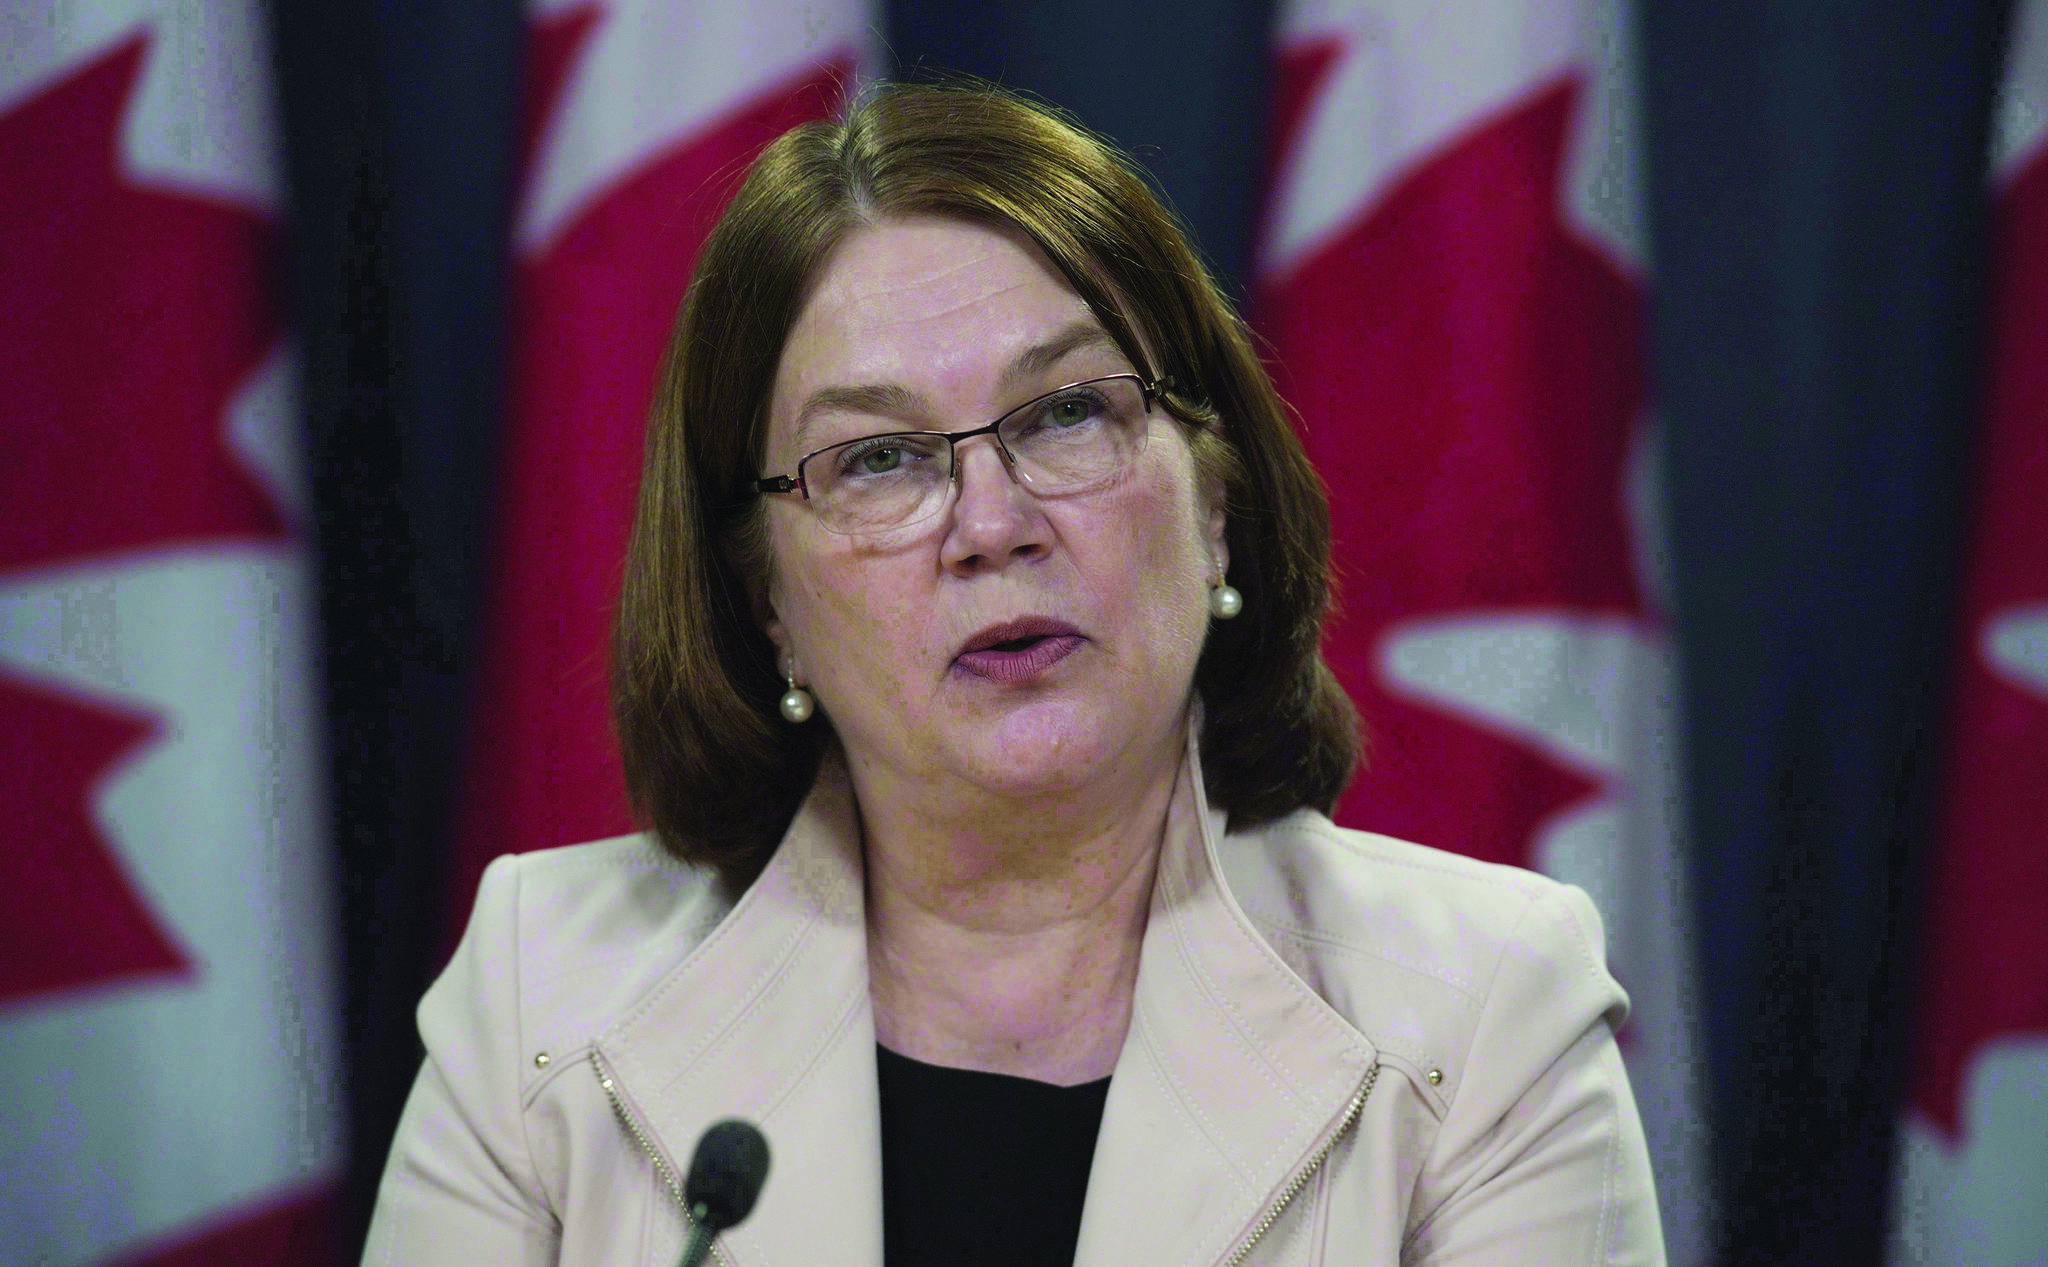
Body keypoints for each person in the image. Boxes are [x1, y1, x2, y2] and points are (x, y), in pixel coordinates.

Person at [363, 82, 1665, 1266]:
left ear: (1215, 505)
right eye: (876, 459)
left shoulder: (1486, 1010)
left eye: (1064, 413)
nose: (991, 521)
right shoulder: (541, 994)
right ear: (768, 602)